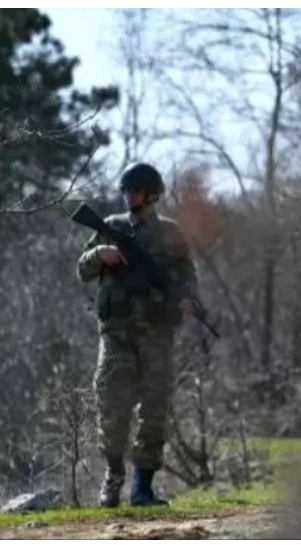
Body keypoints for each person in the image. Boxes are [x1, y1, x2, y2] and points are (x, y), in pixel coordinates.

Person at [76, 162, 200, 507]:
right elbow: (82, 271)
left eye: (136, 190)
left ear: (152, 194)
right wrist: (98, 254)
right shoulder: (111, 227)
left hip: (158, 333)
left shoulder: (172, 234)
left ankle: (143, 486)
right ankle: (114, 475)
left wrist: (188, 300)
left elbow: (188, 277)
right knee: (112, 407)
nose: (129, 196)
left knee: (155, 409)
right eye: (126, 190)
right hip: (116, 334)